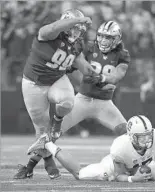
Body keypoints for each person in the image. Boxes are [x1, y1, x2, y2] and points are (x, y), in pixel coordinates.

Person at [25, 20, 130, 177]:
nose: (103, 40)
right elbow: (72, 67)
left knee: (128, 134)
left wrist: (99, 79)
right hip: (83, 100)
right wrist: (86, 77)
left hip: (104, 104)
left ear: (116, 39)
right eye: (101, 36)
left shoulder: (122, 55)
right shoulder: (88, 46)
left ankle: (134, 165)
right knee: (53, 133)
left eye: (108, 37)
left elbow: (116, 76)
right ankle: (29, 165)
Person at [14, 9, 95, 179]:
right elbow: (54, 28)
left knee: (67, 102)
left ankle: (57, 121)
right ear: (65, 24)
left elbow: (83, 66)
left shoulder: (77, 44)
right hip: (34, 84)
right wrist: (77, 20)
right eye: (74, 27)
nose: (77, 32)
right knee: (42, 129)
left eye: (79, 29)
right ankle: (47, 161)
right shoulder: (48, 33)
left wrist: (96, 73)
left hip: (57, 79)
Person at [28, 115, 155, 183]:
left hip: (138, 165)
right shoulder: (120, 146)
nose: (147, 140)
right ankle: (48, 144)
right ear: (131, 136)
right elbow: (119, 176)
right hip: (114, 169)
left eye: (147, 135)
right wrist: (133, 179)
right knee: (80, 174)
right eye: (141, 137)